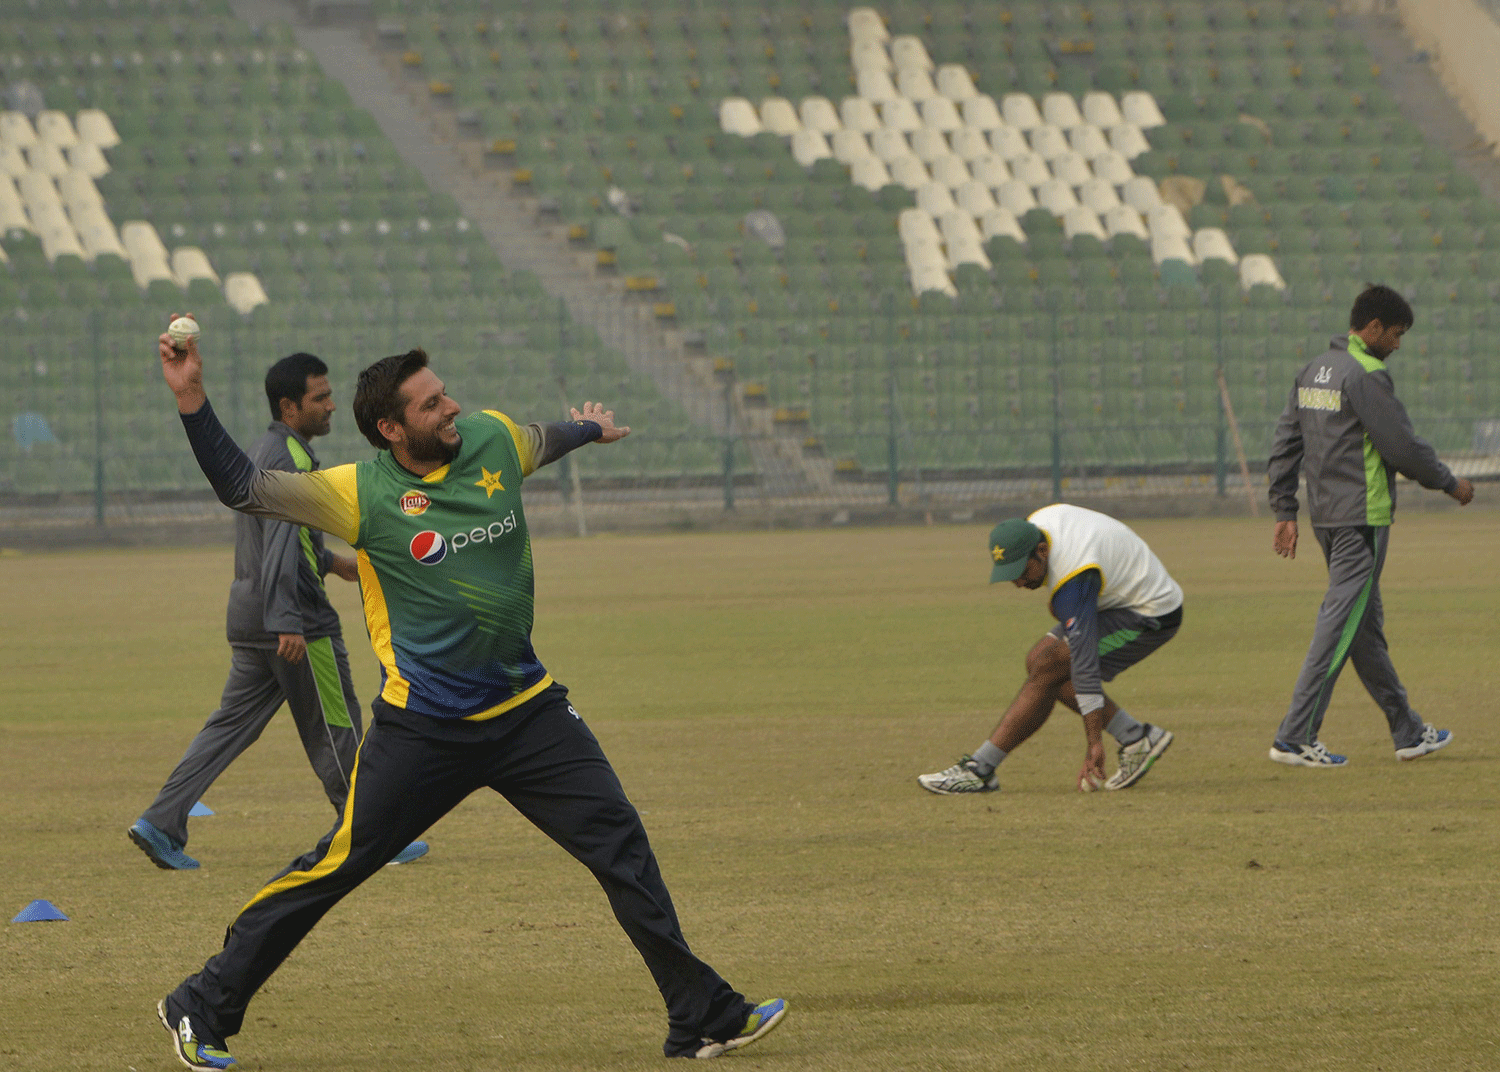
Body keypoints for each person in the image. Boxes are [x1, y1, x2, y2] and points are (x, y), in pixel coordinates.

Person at [153, 319, 785, 1071]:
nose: (449, 408)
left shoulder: (489, 439)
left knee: (621, 846)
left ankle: (703, 1016)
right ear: (390, 429)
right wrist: (192, 398)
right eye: (429, 405)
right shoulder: (358, 494)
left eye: (444, 394)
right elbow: (242, 488)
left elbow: (544, 438)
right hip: (424, 730)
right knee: (335, 868)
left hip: (530, 712)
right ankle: (200, 1002)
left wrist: (588, 427)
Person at [128, 353, 427, 871]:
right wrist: (287, 619)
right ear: (290, 407)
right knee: (337, 726)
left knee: (228, 728)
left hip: (249, 618)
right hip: (295, 623)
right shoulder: (291, 458)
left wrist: (332, 562)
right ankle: (372, 832)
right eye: (320, 397)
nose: (332, 404)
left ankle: (161, 820)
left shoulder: (265, 449)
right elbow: (282, 545)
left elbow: (281, 534)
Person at [1266, 284, 1473, 767]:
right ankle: (1295, 735)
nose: (1398, 344)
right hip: (1363, 520)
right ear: (1374, 328)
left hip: (1326, 519)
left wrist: (1284, 510)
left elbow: (1284, 444)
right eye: (1396, 334)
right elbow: (1400, 447)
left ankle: (1407, 731)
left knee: (1362, 629)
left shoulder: (1314, 370)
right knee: (1339, 626)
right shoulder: (1366, 375)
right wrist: (1449, 483)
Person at [918, 504, 1182, 795]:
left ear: (1042, 551)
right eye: (1010, 574)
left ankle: (980, 770)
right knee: (1039, 662)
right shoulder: (1036, 526)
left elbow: (1085, 666)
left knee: (1051, 667)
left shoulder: (1074, 575)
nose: (1018, 583)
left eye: (1021, 571)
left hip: (1150, 615)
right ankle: (1136, 737)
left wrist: (1094, 742)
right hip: (1113, 600)